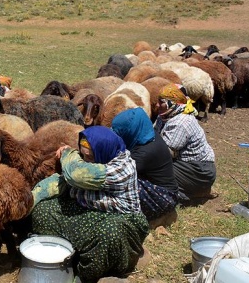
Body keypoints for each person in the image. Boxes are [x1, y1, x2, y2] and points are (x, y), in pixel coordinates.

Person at [30, 126, 149, 283]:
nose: (85, 160)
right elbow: (62, 180)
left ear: (102, 151)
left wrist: (68, 153)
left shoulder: (122, 168)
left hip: (120, 220)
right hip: (88, 210)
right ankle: (68, 255)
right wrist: (29, 200)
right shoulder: (93, 157)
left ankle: (86, 275)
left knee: (109, 233)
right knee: (43, 211)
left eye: (90, 157)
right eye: (82, 155)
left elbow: (76, 175)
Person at [111, 107, 179, 223]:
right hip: (159, 187)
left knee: (119, 184)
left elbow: (118, 173)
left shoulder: (145, 153)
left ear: (131, 131)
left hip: (164, 198)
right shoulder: (147, 135)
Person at [154, 83, 216, 201]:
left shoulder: (181, 122)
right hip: (185, 165)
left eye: (161, 102)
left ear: (172, 103)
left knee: (155, 170)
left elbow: (165, 153)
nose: (157, 105)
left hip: (198, 170)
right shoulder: (165, 116)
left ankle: (188, 193)